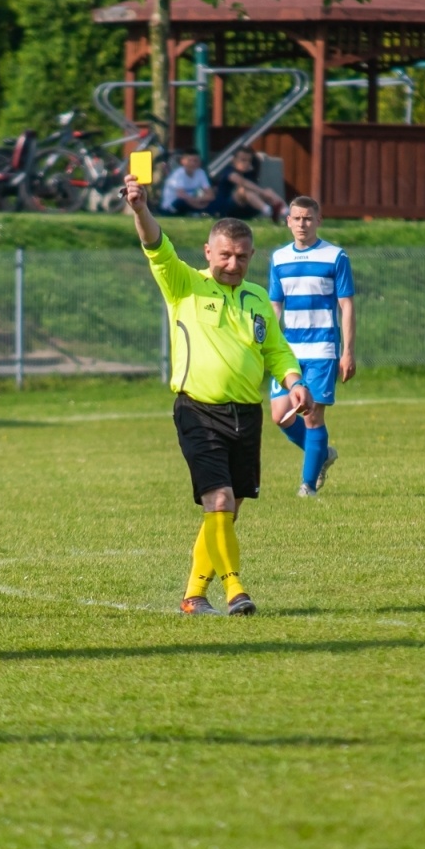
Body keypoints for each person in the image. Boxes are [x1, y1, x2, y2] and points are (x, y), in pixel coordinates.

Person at [122, 172, 311, 616]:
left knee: (227, 512)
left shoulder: (258, 298)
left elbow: (276, 349)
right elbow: (156, 245)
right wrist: (140, 208)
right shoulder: (184, 284)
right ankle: (236, 590)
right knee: (220, 501)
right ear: (208, 252)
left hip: (247, 415)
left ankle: (193, 596)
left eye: (242, 256)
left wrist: (294, 382)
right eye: (225, 255)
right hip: (198, 410)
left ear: (251, 256)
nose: (233, 263)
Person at [268, 196, 354, 497]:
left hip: (322, 351)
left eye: (308, 218)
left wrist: (347, 351)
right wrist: (267, 346)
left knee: (312, 415)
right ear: (288, 222)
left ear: (318, 220)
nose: (302, 224)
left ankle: (307, 486)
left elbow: (346, 305)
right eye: (297, 218)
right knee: (280, 415)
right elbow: (274, 307)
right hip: (288, 352)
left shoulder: (335, 256)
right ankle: (322, 453)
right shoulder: (279, 258)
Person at [214, 147, 286, 221]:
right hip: (227, 209)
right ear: (234, 160)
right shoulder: (228, 171)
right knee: (245, 190)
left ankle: (285, 211)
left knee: (268, 190)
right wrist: (262, 192)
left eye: (249, 161)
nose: (246, 163)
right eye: (243, 160)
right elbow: (241, 181)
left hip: (247, 209)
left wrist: (266, 193)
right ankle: (268, 211)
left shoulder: (249, 173)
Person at [160, 151, 215, 216]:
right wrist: (199, 205)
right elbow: (181, 195)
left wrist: (197, 200)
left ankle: (199, 212)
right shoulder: (178, 174)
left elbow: (211, 195)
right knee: (181, 202)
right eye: (190, 160)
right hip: (172, 206)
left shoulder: (201, 173)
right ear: (183, 161)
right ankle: (199, 212)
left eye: (195, 161)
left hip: (192, 202)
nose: (192, 163)